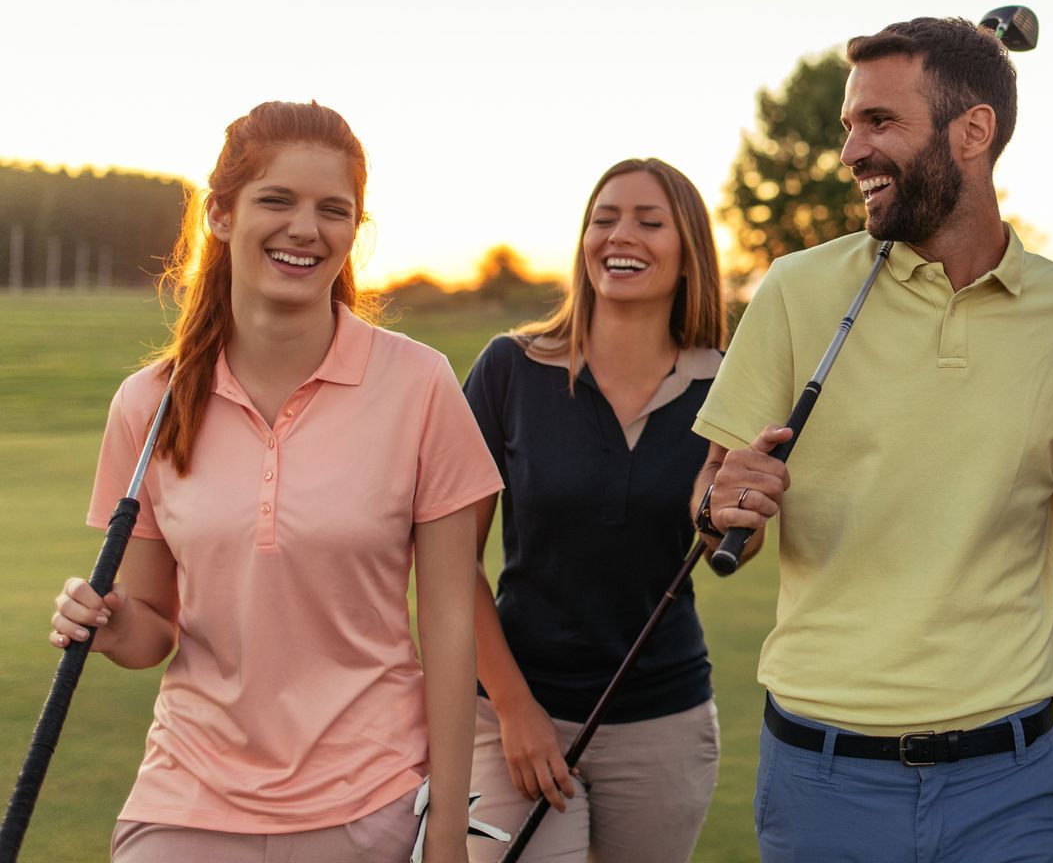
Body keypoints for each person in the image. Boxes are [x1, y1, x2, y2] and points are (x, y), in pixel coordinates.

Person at [692, 17, 1053, 863]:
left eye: (879, 122)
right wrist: (722, 508)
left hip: (1012, 782)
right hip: (822, 780)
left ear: (974, 131)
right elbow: (716, 506)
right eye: (849, 126)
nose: (850, 151)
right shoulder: (794, 290)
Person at [47, 100, 502, 863]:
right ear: (221, 214)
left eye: (333, 210)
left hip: (372, 803)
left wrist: (449, 832)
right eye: (277, 200)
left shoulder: (421, 385)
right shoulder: (148, 404)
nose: (305, 228)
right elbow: (152, 625)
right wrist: (113, 626)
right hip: (186, 800)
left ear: (355, 230)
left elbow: (451, 624)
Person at [461, 158, 726, 863]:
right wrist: (515, 710)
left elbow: (734, 538)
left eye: (648, 221)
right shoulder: (509, 370)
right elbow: (450, 562)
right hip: (516, 716)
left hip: (663, 724)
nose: (620, 235)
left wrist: (727, 517)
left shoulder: (727, 385)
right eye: (604, 219)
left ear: (688, 251)